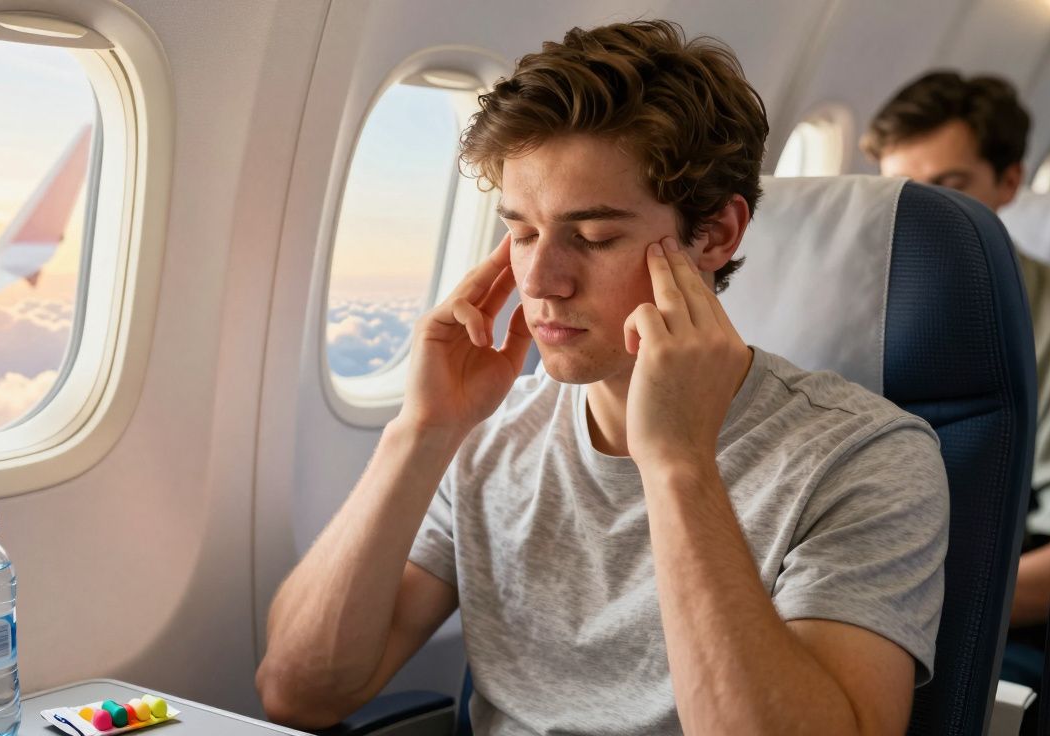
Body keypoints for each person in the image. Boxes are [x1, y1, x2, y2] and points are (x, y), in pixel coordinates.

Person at [258, 21, 948, 735]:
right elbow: (299, 691)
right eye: (522, 232)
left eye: (593, 237)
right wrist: (422, 432)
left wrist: (679, 466)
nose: (541, 280)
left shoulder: (866, 458)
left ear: (713, 235)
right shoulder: (491, 434)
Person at [863, 71, 1050, 691]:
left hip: (997, 618)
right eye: (900, 192)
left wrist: (913, 614)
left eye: (948, 189)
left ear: (1009, 181)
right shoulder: (844, 307)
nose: (920, 218)